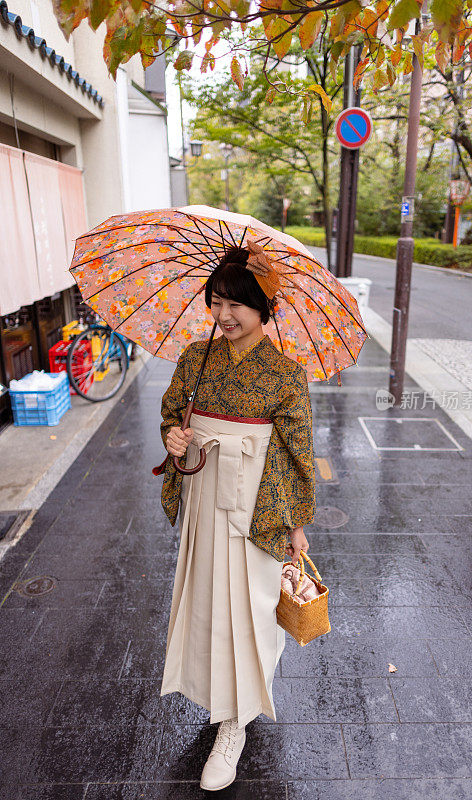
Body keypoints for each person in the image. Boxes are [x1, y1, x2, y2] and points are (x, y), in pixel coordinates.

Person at [157, 244, 315, 791]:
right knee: (206, 603)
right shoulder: (194, 359)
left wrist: (296, 523)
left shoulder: (286, 373)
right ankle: (215, 699)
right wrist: (175, 438)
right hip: (204, 496)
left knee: (247, 609)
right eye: (216, 302)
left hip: (255, 503)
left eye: (236, 306)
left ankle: (235, 723)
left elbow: (298, 450)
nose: (223, 316)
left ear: (263, 309)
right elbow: (172, 414)